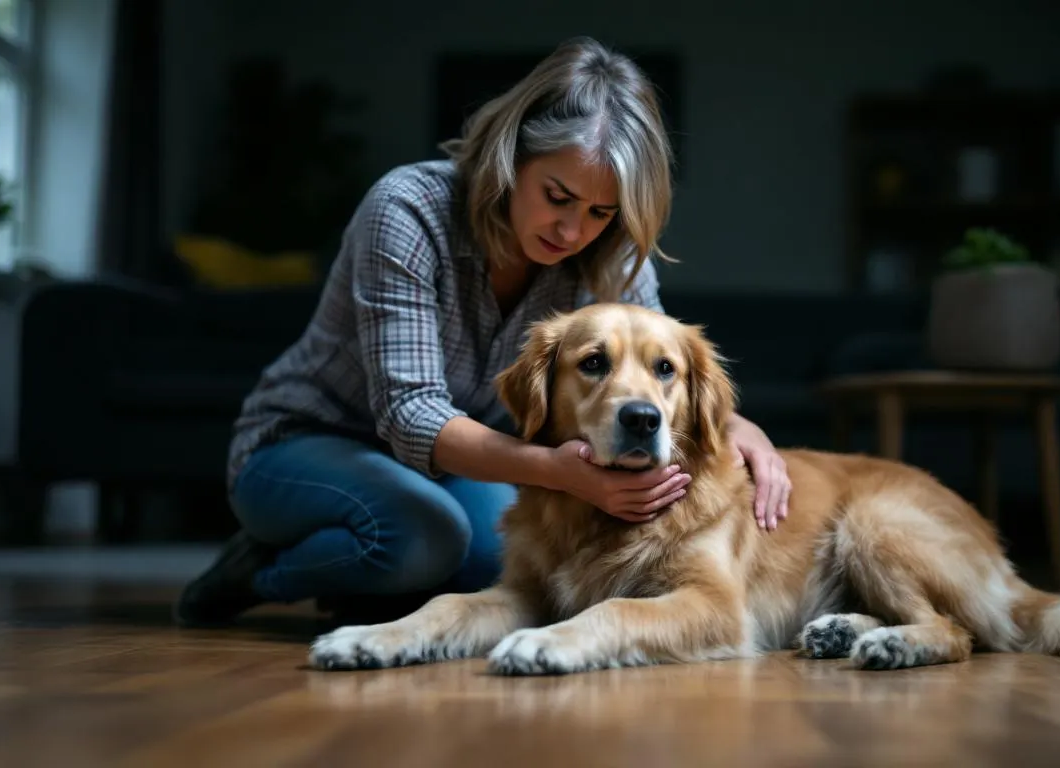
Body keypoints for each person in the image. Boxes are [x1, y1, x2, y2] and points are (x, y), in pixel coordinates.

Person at [173, 37, 793, 628]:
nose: (574, 230)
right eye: (558, 196)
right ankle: (259, 573)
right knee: (422, 538)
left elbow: (660, 365)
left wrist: (746, 432)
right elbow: (412, 415)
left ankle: (370, 580)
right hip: (309, 438)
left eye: (600, 212)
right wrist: (560, 471)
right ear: (511, 155)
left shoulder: (606, 251)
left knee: (501, 562)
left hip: (453, 468)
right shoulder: (407, 209)